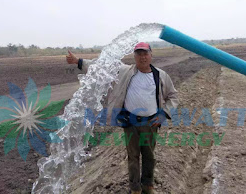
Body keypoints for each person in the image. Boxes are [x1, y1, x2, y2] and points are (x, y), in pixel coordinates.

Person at [66, 42, 179, 194]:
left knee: (149, 157)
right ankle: (135, 188)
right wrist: (78, 61)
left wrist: (163, 113)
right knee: (133, 157)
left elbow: (173, 96)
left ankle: (148, 186)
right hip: (130, 122)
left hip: (150, 123)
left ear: (151, 55)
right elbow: (101, 67)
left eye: (145, 53)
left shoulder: (160, 75)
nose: (142, 57)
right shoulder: (125, 71)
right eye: (139, 54)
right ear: (134, 56)